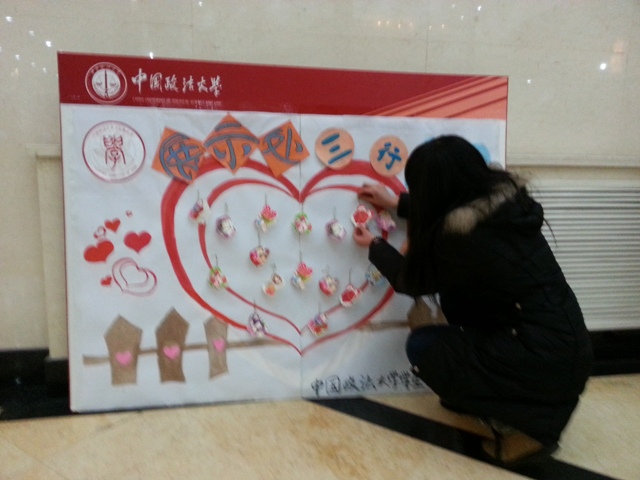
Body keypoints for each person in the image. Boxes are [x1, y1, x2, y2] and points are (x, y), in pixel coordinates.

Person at [353, 135, 592, 467]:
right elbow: (448, 207)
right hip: (560, 345)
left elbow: (412, 280)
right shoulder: (504, 207)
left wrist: (376, 245)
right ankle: (492, 395)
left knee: (424, 346)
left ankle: (536, 431)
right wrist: (398, 202)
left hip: (542, 359)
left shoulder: (467, 241)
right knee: (456, 307)